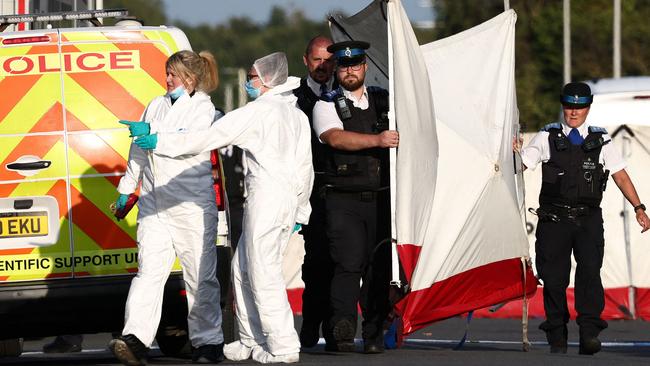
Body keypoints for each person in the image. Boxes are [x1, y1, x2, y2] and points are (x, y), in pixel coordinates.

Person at [132, 52, 313, 364]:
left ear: (268, 81)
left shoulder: (259, 111)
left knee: (262, 272)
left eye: (253, 77)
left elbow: (207, 137)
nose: (248, 82)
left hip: (266, 200)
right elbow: (305, 166)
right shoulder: (294, 113)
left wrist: (158, 141)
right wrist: (300, 210)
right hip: (282, 200)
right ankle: (249, 339)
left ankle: (284, 346)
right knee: (241, 270)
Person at [108, 50, 224, 365]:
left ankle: (208, 342)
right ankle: (135, 340)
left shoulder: (203, 109)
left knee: (200, 276)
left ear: (189, 78)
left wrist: (156, 138)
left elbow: (193, 141)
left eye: (172, 73)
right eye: (166, 72)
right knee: (148, 272)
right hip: (155, 203)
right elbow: (138, 152)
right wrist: (126, 190)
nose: (167, 78)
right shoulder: (156, 105)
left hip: (190, 204)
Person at [519, 82, 650, 355]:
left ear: (588, 108)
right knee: (554, 279)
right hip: (554, 220)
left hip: (587, 220)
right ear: (563, 106)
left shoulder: (600, 140)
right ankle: (557, 334)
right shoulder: (547, 137)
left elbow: (620, 175)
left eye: (579, 107)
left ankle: (589, 333)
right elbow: (521, 164)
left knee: (590, 274)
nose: (573, 112)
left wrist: (638, 207)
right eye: (569, 106)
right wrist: (510, 151)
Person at [312, 40, 399, 354]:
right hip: (343, 199)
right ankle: (342, 329)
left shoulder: (385, 100)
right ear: (337, 69)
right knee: (349, 264)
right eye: (344, 66)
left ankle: (374, 332)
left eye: (355, 65)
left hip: (381, 199)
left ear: (365, 67)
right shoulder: (326, 103)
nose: (350, 71)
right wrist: (377, 139)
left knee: (379, 268)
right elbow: (334, 137)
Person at [292, 35, 336, 348]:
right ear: (306, 61)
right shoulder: (292, 97)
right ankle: (310, 324)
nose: (323, 66)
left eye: (328, 60)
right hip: (309, 189)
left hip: (341, 187)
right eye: (317, 60)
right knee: (316, 262)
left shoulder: (344, 95)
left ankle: (338, 328)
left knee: (342, 262)